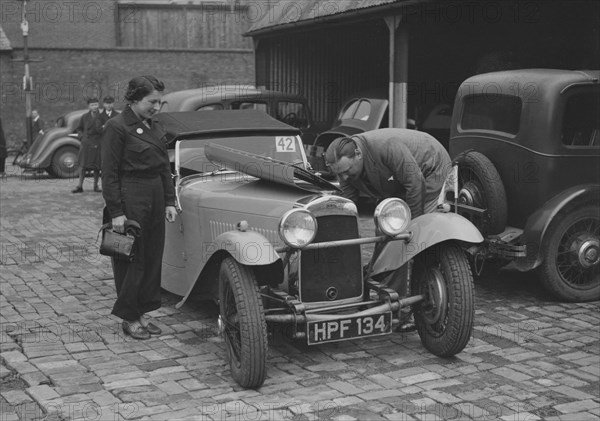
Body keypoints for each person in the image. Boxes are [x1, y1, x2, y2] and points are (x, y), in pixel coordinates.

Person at [101, 75, 177, 340]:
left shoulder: (155, 126)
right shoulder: (117, 126)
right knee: (131, 260)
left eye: (159, 102)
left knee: (153, 257)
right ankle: (129, 317)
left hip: (155, 195)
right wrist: (116, 212)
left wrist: (169, 201)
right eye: (151, 102)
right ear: (134, 99)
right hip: (130, 196)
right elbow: (108, 174)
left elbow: (164, 168)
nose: (156, 107)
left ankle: (144, 311)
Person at [324, 128, 452, 218]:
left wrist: (412, 226)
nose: (344, 178)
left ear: (358, 154)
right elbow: (348, 203)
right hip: (401, 180)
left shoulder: (386, 146)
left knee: (421, 225)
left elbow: (415, 184)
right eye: (339, 174)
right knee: (384, 226)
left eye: (347, 171)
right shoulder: (345, 166)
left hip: (431, 167)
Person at [72, 98, 103, 193]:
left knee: (97, 166)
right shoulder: (84, 117)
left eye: (96, 104)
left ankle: (95, 186)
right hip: (86, 144)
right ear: (89, 106)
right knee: (82, 165)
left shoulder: (102, 116)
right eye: (92, 105)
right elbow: (79, 129)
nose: (94, 107)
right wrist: (82, 137)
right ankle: (80, 186)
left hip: (98, 143)